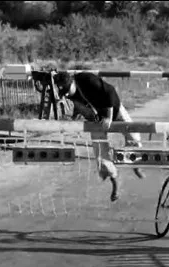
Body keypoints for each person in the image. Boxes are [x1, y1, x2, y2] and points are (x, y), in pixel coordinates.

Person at [53, 71, 145, 202]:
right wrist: (74, 116)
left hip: (113, 109)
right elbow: (79, 105)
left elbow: (110, 92)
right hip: (96, 120)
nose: (66, 95)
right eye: (64, 94)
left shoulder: (88, 80)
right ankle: (114, 182)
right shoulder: (68, 92)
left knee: (134, 137)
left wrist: (108, 116)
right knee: (101, 155)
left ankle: (136, 166)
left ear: (72, 82)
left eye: (67, 91)